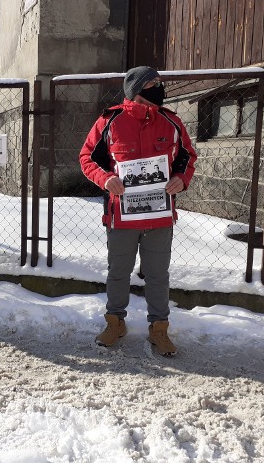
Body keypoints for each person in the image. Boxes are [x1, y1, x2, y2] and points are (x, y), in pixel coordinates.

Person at [79, 66, 197, 356]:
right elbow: (86, 157)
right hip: (121, 216)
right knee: (118, 273)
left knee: (158, 276)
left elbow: (187, 156)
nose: (159, 87)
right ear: (137, 88)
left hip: (159, 217)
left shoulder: (171, 121)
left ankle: (159, 329)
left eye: (159, 82)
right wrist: (105, 178)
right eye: (153, 83)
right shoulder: (111, 121)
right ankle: (115, 322)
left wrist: (181, 179)